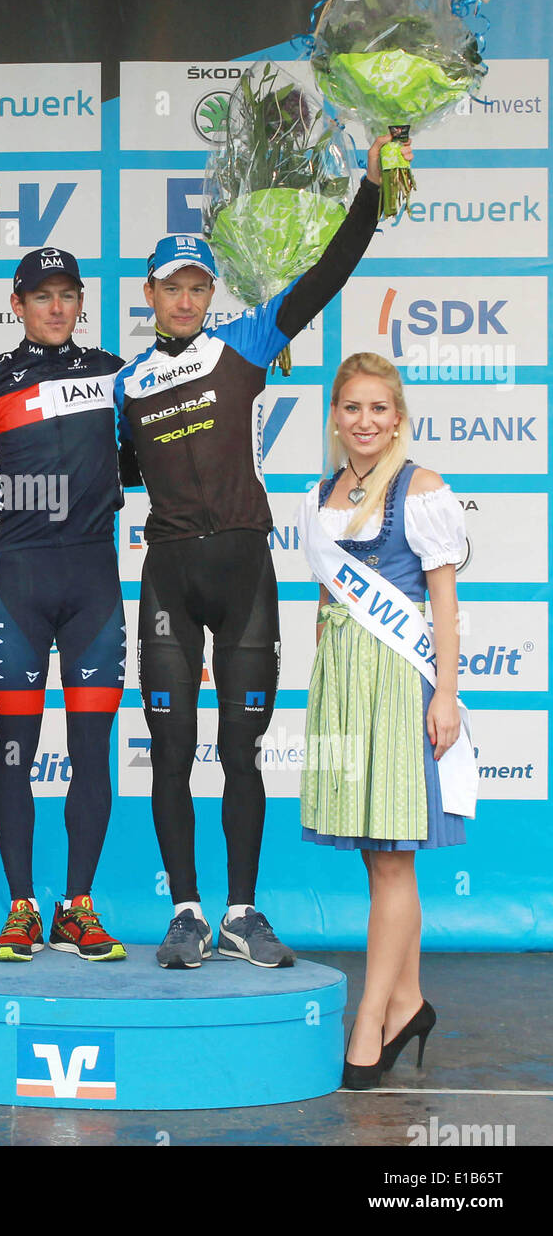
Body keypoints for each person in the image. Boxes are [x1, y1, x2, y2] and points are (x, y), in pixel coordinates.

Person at [115, 136, 407, 970]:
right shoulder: (125, 383)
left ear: (211, 292)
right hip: (167, 576)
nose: (185, 297)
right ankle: (185, 913)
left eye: (197, 284)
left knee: (241, 751)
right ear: (150, 292)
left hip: (244, 571)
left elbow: (328, 273)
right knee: (170, 753)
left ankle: (242, 912)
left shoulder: (244, 343)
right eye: (172, 284)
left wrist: (370, 188)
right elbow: (102, 472)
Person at [297, 353, 475, 1089]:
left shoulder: (423, 489)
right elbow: (324, 603)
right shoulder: (320, 493)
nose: (364, 422)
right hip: (343, 679)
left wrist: (445, 695)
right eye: (351, 408)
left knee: (395, 854)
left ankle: (370, 1017)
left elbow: (441, 603)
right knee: (374, 853)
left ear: (397, 417)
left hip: (400, 679)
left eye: (378, 408)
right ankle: (407, 1000)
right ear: (334, 419)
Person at [0, 248, 127, 962]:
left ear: (81, 303)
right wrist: (43, 498)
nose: (55, 308)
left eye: (67, 295)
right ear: (16, 303)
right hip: (20, 584)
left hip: (95, 584)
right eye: (41, 296)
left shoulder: (116, 372)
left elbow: (151, 455)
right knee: (13, 751)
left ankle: (77, 907)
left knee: (92, 752)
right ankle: (22, 908)